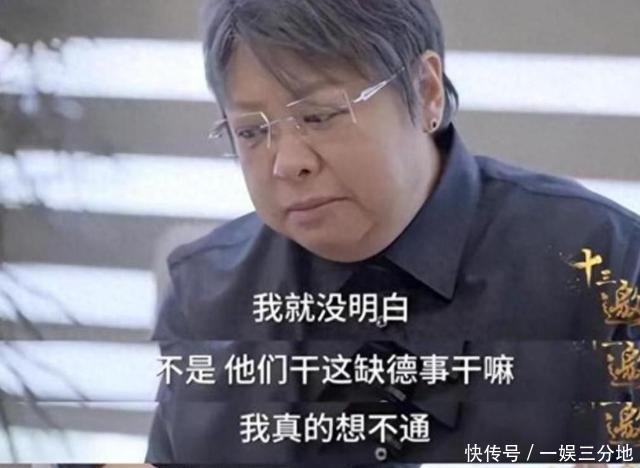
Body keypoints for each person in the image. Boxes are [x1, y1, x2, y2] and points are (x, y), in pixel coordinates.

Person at [146, 0, 640, 465]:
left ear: (426, 91)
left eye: (319, 116)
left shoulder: (601, 266)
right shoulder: (206, 296)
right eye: (251, 132)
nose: (287, 163)